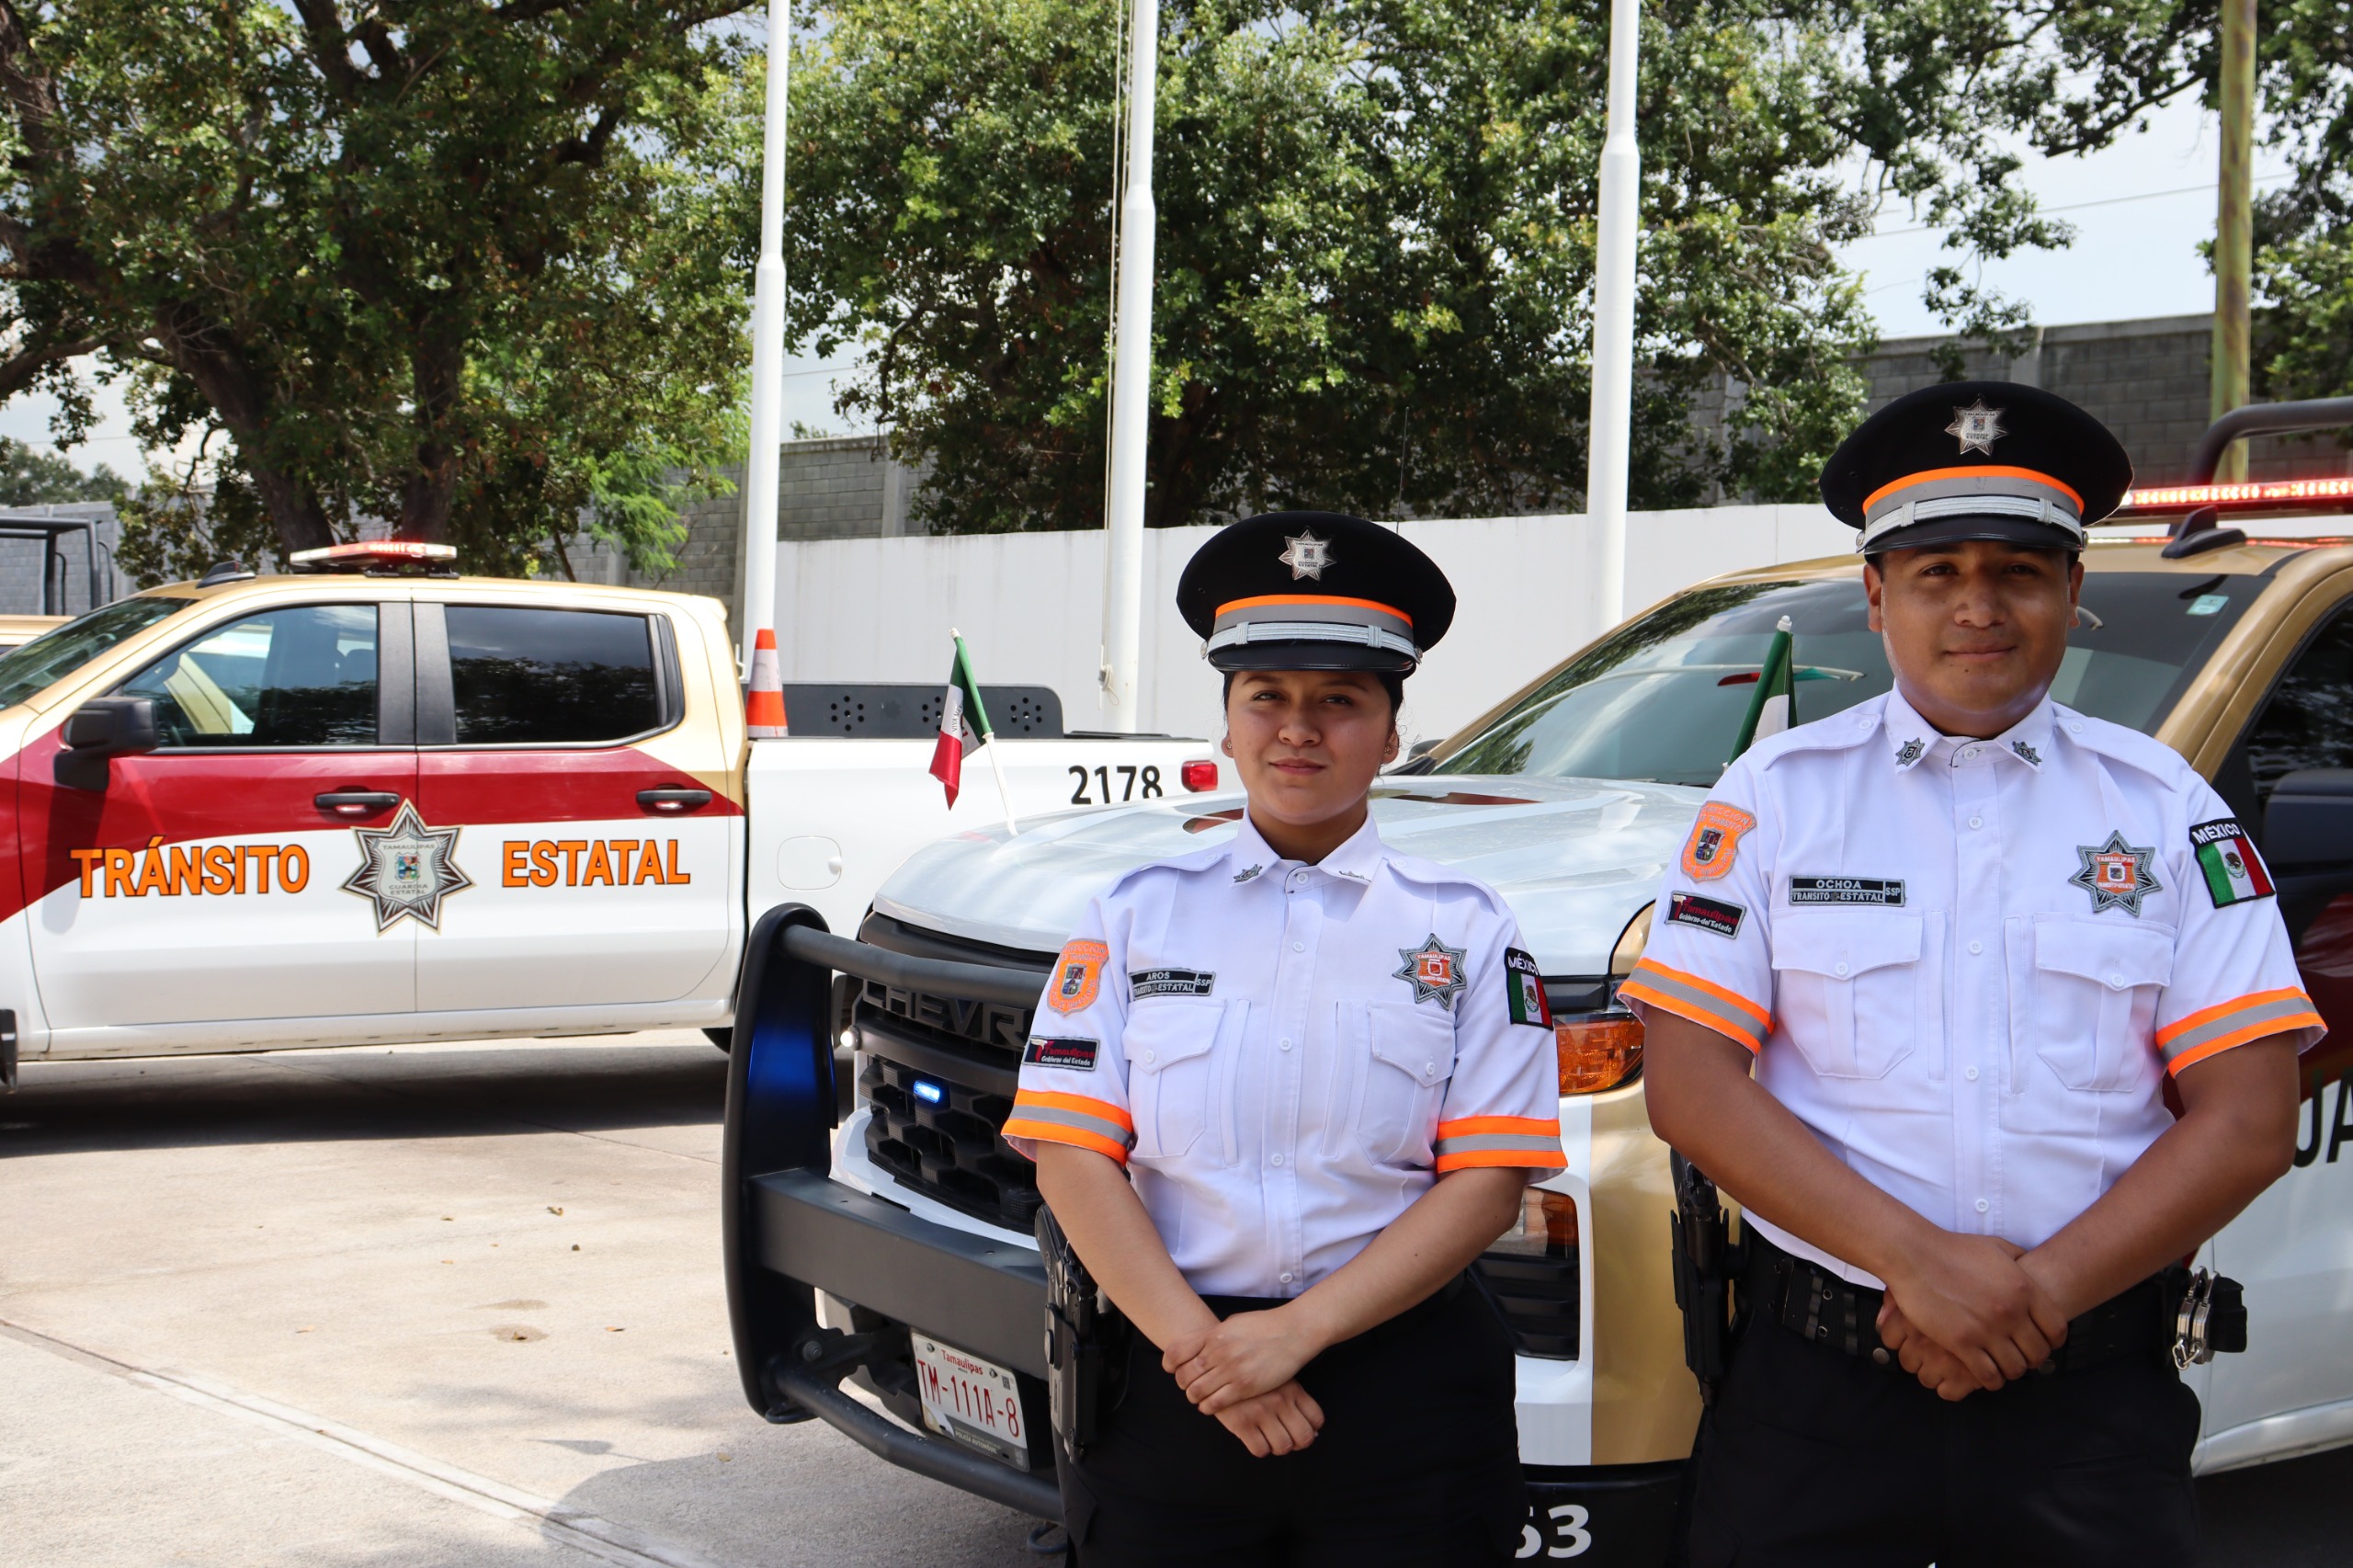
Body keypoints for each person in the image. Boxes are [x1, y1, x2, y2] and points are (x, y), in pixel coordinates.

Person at [1622, 381, 2325, 1568]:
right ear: (1876, 597)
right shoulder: (1774, 799)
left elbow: (2249, 1118)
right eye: (1936, 572)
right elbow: (1691, 1084)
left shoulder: (2166, 810)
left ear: (2071, 589)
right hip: (1815, 1400)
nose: (1977, 606)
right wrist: (1917, 1263)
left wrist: (2030, 1296)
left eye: (2017, 571)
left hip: (2086, 1400)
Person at [1000, 511, 1565, 1566]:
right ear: (1226, 723)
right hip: (1171, 1376)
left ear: (1390, 733)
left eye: (1339, 699)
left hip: (1405, 1392)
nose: (1297, 727)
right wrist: (1208, 1354)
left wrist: (1294, 1334)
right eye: (1266, 695)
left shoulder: (1469, 927)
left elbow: (1489, 1179)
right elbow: (1071, 1152)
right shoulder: (1133, 912)